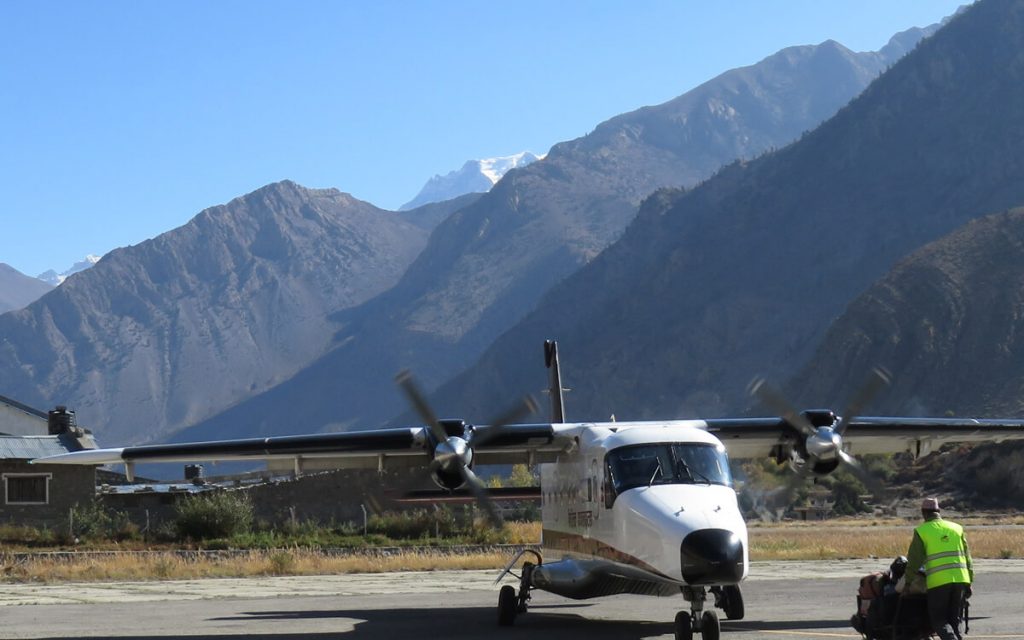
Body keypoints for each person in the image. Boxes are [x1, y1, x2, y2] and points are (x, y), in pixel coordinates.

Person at [905, 497, 972, 640]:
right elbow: (968, 559)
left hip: (938, 582)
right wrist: (969, 582)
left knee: (939, 621)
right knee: (954, 621)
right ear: (939, 511)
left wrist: (908, 583)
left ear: (923, 513)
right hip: (961, 578)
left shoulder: (922, 531)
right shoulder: (957, 528)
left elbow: (914, 561)